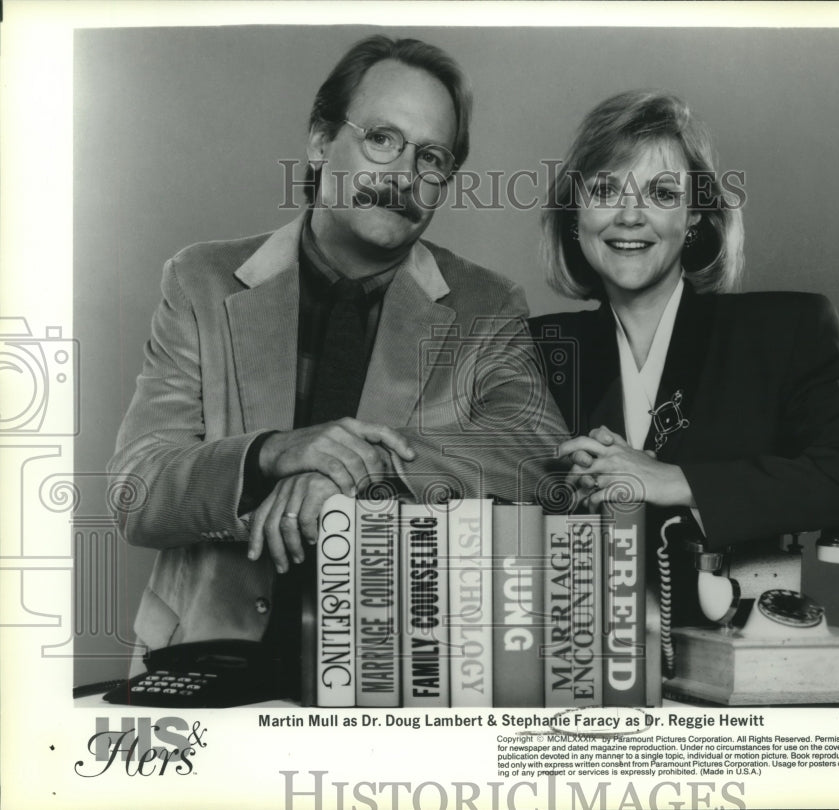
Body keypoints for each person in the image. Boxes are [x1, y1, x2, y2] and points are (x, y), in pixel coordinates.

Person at [109, 35, 567, 685]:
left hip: (396, 676)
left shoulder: (486, 307)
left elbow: (541, 455)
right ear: (321, 142)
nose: (404, 177)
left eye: (431, 157)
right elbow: (138, 491)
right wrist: (275, 452)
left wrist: (356, 468)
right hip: (203, 662)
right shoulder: (200, 281)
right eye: (382, 139)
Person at [530, 90, 839, 626]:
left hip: (723, 673)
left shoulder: (783, 331)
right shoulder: (532, 349)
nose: (629, 216)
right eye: (605, 189)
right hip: (573, 673)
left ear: (695, 212)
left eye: (660, 192)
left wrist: (677, 480)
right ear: (574, 214)